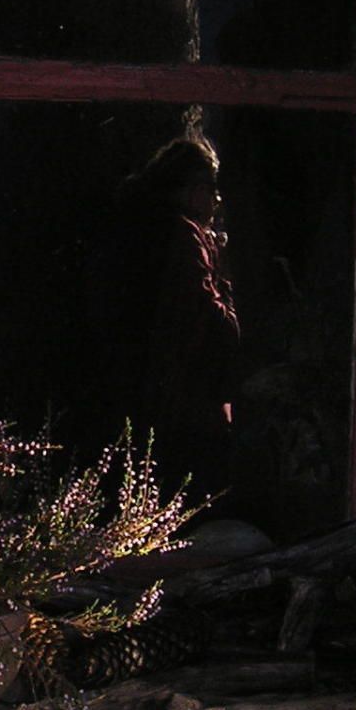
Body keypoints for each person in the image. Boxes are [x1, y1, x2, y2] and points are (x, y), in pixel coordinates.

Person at [124, 135, 240, 501]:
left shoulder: (145, 229)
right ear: (190, 190)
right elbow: (214, 322)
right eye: (210, 189)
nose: (216, 201)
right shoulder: (185, 238)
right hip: (185, 398)